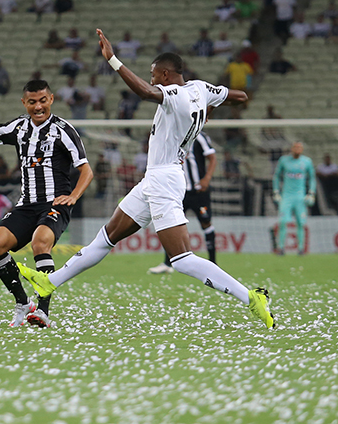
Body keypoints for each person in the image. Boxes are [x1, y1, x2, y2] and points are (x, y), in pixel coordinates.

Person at [18, 29, 276, 331]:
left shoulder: (176, 94)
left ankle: (251, 298)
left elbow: (144, 93)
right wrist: (208, 107)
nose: (151, 78)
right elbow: (241, 96)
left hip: (164, 179)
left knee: (181, 259)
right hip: (156, 178)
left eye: (154, 74)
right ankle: (50, 282)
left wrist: (113, 60)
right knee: (106, 237)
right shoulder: (199, 89)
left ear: (166, 74)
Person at [0, 79, 93, 328]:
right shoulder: (19, 127)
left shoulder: (64, 130)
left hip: (55, 203)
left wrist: (73, 197)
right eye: (32, 102)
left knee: (40, 242)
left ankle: (43, 311)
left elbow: (86, 170)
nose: (38, 106)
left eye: (42, 101)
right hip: (27, 204)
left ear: (51, 100)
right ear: (24, 103)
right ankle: (22, 302)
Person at [149, 132, 218, 274]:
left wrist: (207, 178)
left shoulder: (199, 136)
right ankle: (167, 264)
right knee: (171, 224)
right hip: (178, 192)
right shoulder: (172, 136)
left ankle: (213, 263)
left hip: (199, 192)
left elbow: (212, 158)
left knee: (206, 222)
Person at [273, 142, 316, 256]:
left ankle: (301, 249)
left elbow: (312, 178)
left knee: (301, 223)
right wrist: (276, 191)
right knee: (282, 222)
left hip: (300, 197)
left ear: (302, 149)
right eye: (295, 147)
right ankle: (281, 248)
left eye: (300, 147)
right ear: (292, 148)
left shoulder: (307, 161)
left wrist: (311, 193)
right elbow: (276, 175)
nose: (297, 149)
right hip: (286, 196)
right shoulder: (284, 160)